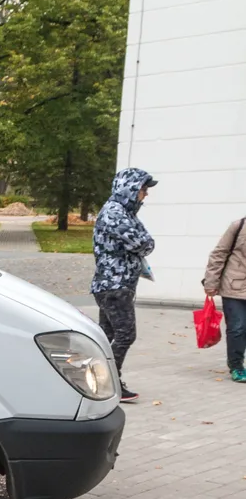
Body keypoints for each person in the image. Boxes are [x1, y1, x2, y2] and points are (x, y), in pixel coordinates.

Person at [90, 168, 157, 403]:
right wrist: (145, 243)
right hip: (114, 284)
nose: (145, 195)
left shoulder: (125, 213)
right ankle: (111, 382)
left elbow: (144, 241)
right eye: (143, 189)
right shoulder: (115, 213)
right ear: (129, 188)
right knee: (126, 334)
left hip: (116, 284)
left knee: (106, 335)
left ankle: (91, 379)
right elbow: (144, 242)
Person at [202, 216, 246, 383]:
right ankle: (236, 366)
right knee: (238, 327)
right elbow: (219, 254)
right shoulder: (239, 226)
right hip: (234, 286)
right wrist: (211, 282)